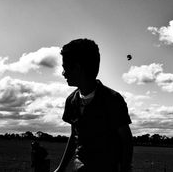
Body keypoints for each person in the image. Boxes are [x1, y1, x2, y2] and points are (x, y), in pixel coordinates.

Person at [54, 38, 133, 172]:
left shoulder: (112, 100)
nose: (63, 73)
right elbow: (74, 136)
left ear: (78, 68)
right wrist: (60, 168)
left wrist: (124, 169)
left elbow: (126, 140)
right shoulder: (71, 101)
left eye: (65, 68)